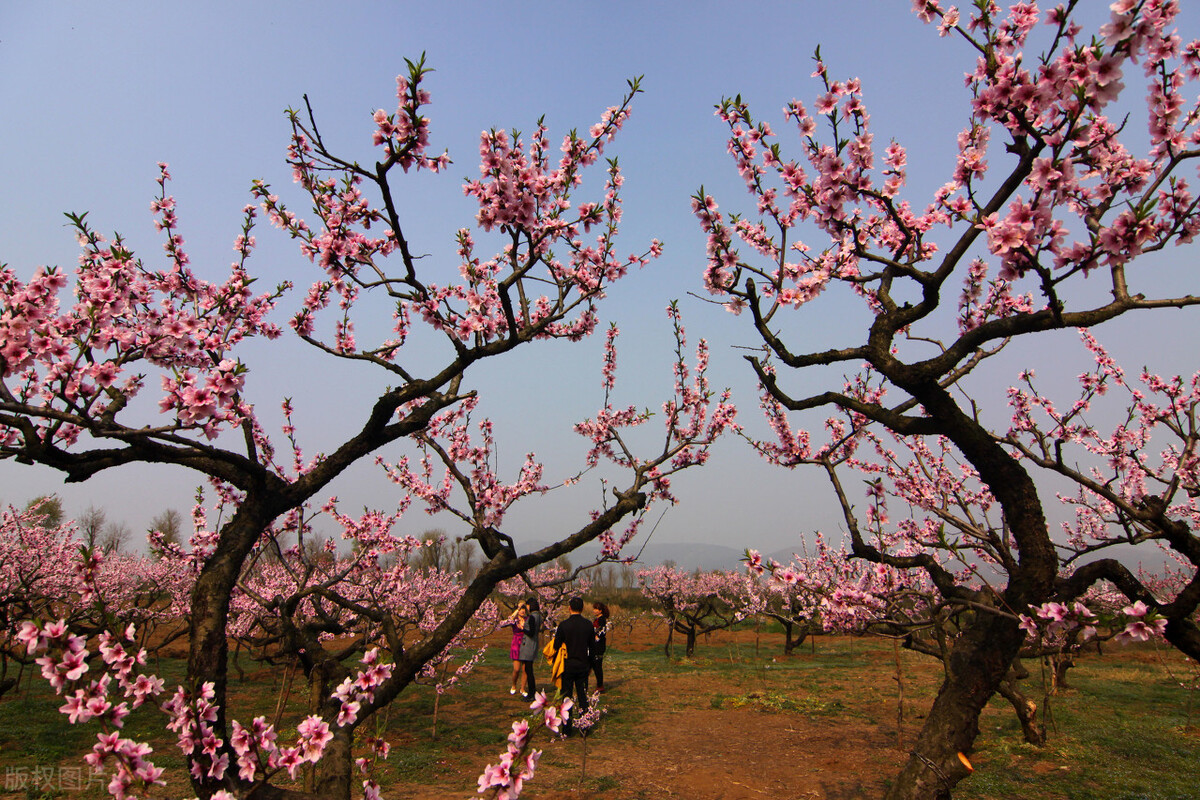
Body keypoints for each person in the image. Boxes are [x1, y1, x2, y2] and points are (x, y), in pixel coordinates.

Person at [552, 596, 596, 729]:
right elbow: (592, 648)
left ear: (569, 608)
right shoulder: (588, 625)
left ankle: (567, 728)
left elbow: (556, 645)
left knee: (566, 698)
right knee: (583, 697)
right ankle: (585, 726)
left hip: (567, 665)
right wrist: (590, 665)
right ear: (582, 609)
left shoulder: (564, 625)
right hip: (583, 664)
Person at [517, 596, 543, 701]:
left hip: (528, 645)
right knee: (528, 669)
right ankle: (532, 692)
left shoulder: (532, 617)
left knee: (528, 670)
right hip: (533, 644)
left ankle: (532, 692)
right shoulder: (538, 616)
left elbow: (531, 632)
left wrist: (523, 629)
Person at [502, 601, 528, 695]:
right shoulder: (515, 620)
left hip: (526, 643)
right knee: (516, 669)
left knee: (525, 669)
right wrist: (516, 610)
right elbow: (506, 622)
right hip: (516, 643)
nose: (522, 611)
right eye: (521, 608)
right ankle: (513, 685)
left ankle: (522, 688)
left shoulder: (528, 619)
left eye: (524, 608)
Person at [590, 601, 610, 692]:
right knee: (594, 665)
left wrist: (595, 635)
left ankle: (600, 685)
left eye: (596, 609)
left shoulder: (602, 619)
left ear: (600, 610)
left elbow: (602, 631)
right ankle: (599, 685)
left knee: (597, 665)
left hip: (598, 646)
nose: (594, 610)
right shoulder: (597, 619)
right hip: (595, 645)